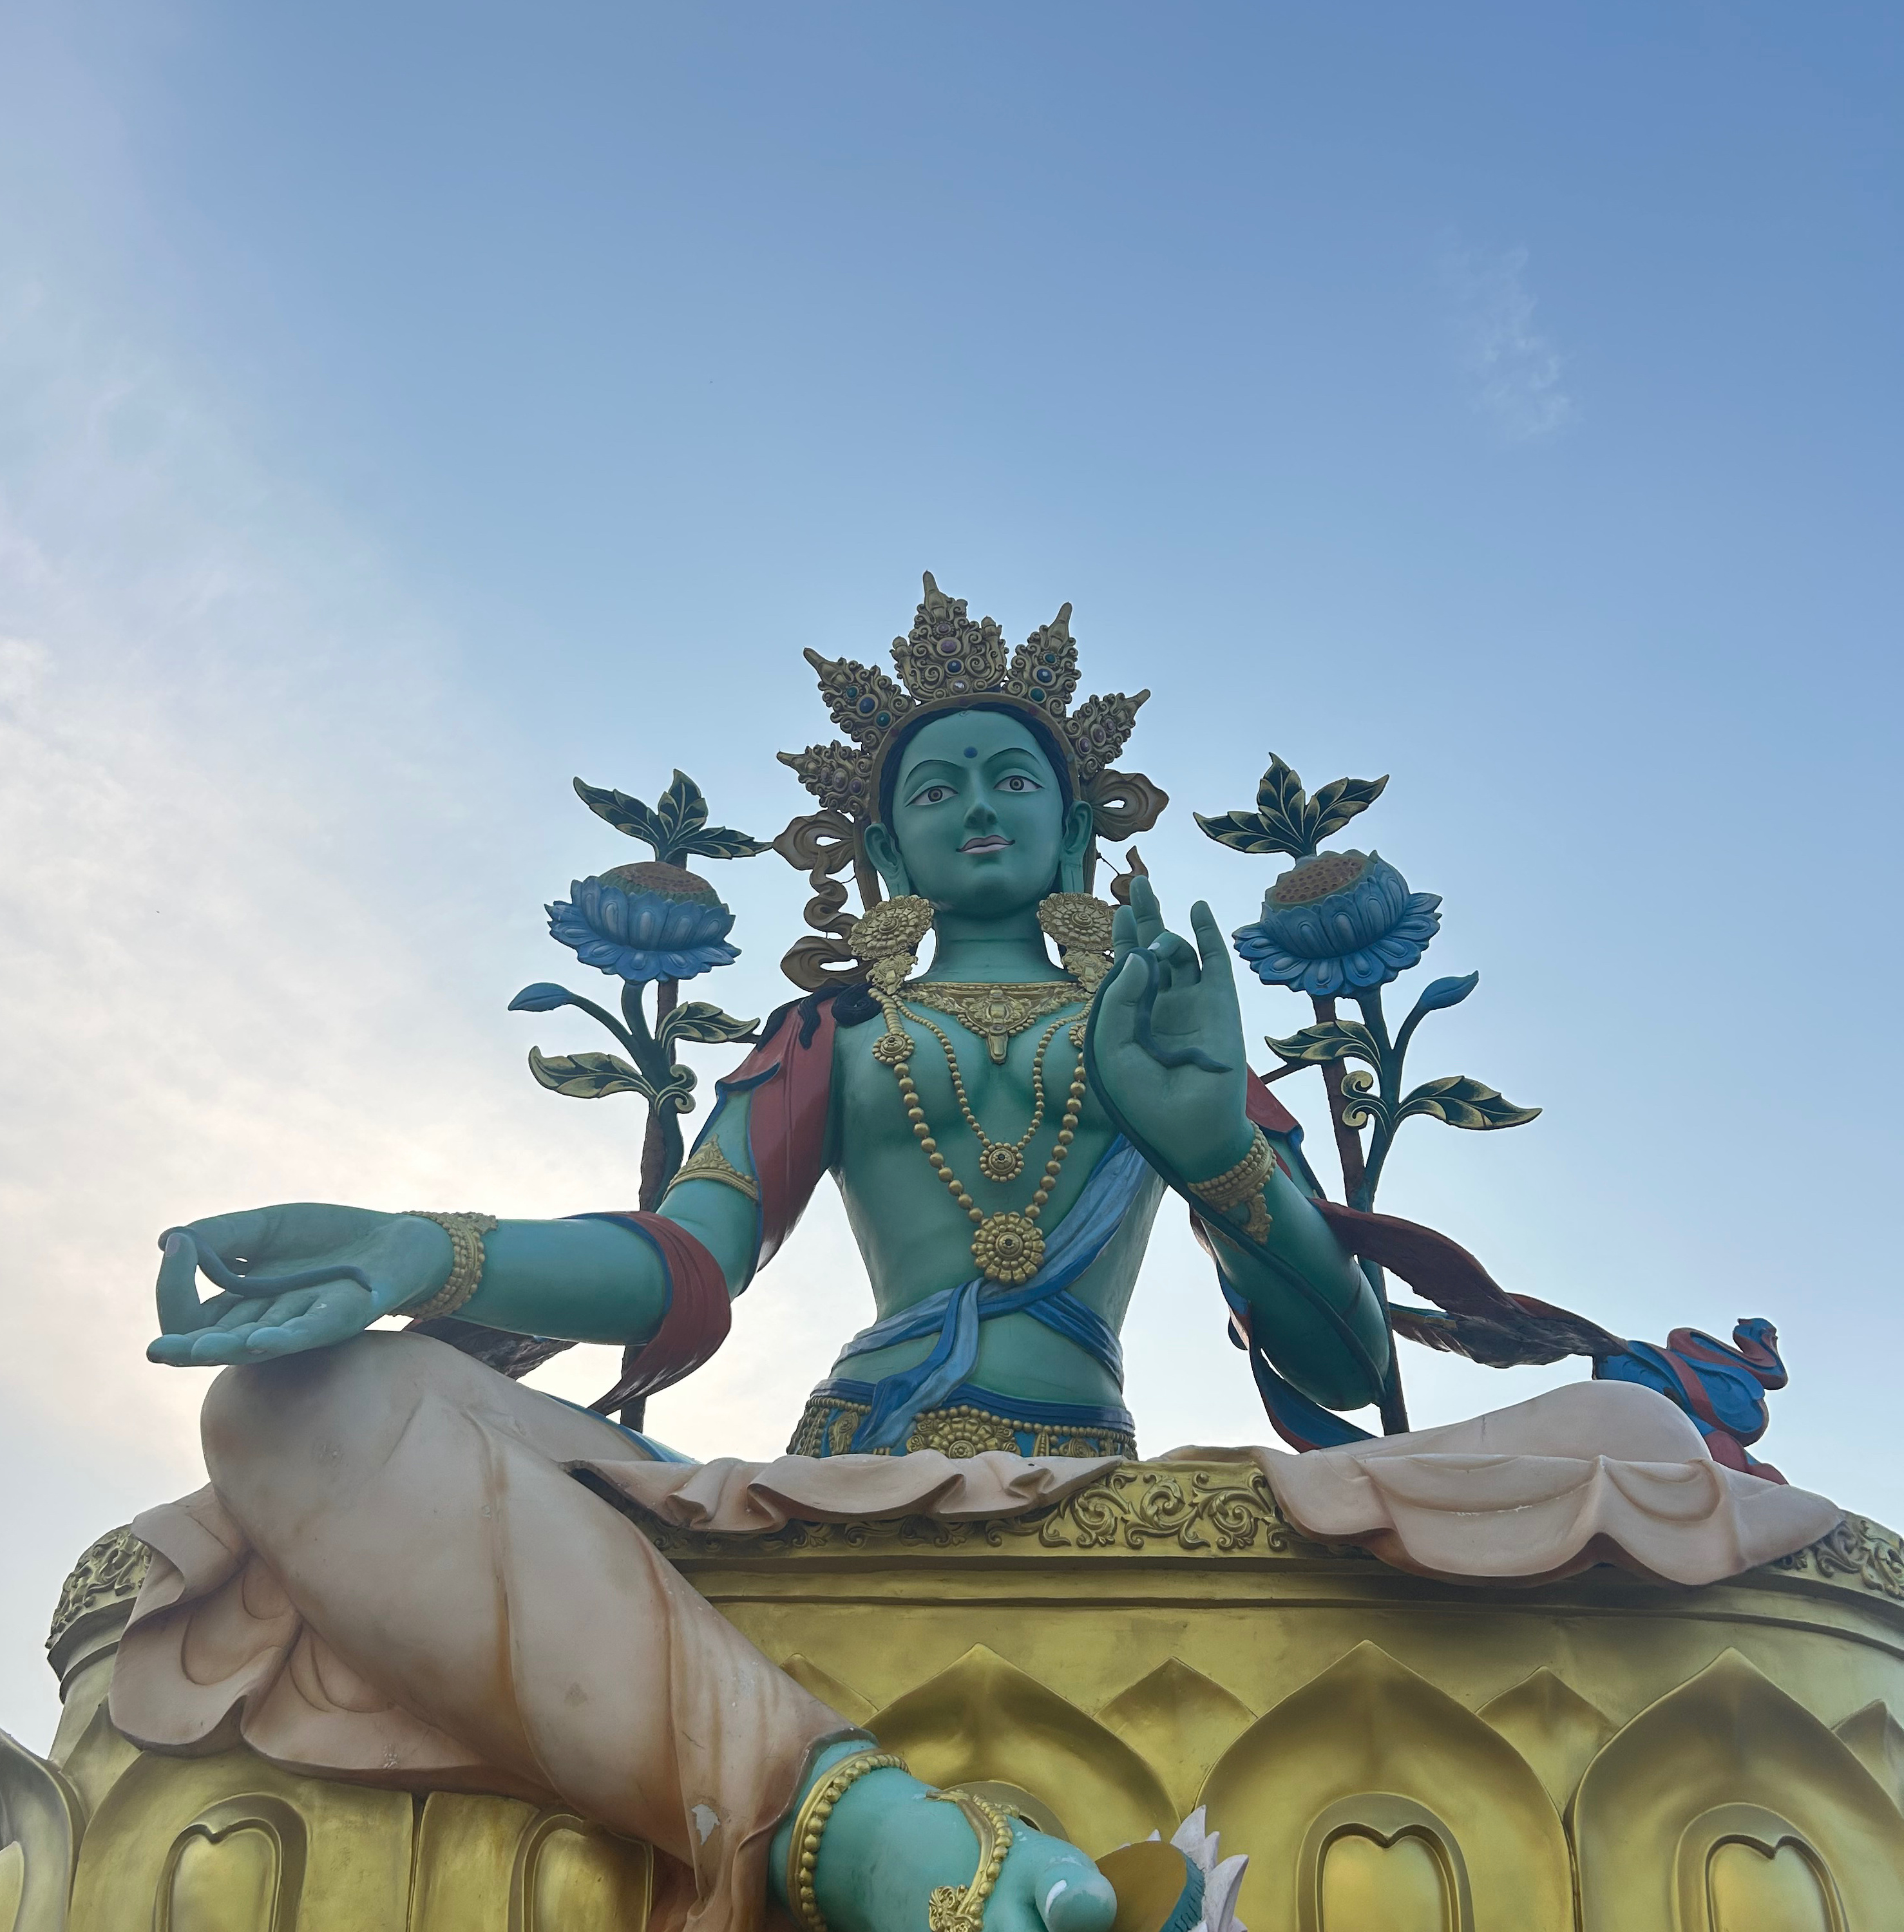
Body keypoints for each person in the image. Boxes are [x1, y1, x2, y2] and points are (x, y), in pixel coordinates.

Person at [124, 587, 1390, 1932]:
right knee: (300, 1407)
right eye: (939, 788)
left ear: (1077, 832)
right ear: (887, 856)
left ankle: (780, 1803)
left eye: (1015, 780)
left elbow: (1347, 1364)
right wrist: (423, 1253)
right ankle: (871, 1839)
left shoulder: (1163, 1028)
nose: (979, 805)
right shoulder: (834, 1035)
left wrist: (1213, 1146)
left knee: (1561, 1453)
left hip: (1087, 1465)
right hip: (846, 1468)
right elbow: (681, 1268)